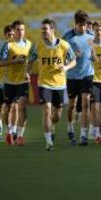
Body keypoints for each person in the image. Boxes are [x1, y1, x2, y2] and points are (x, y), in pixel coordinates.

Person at [27, 18, 76, 151]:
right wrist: (27, 72)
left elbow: (73, 61)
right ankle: (49, 141)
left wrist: (65, 67)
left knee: (57, 114)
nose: (42, 31)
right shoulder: (38, 45)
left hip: (60, 84)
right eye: (42, 29)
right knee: (47, 110)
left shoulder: (64, 45)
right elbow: (30, 61)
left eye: (45, 29)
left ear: (52, 30)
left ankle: (52, 127)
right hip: (44, 83)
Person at [62, 10, 94, 146]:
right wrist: (72, 54)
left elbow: (94, 52)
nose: (83, 28)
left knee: (86, 103)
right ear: (75, 24)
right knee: (72, 105)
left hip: (87, 74)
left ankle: (83, 135)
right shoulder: (67, 37)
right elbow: (60, 55)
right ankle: (70, 127)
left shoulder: (92, 35)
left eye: (85, 25)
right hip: (72, 75)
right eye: (80, 25)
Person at [0, 19, 33, 146]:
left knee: (22, 107)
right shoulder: (8, 45)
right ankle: (9, 132)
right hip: (9, 82)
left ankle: (19, 135)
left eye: (22, 29)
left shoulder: (29, 44)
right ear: (14, 31)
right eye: (18, 29)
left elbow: (31, 61)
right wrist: (14, 61)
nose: (21, 32)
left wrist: (28, 72)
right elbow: (0, 63)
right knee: (8, 108)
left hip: (23, 82)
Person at [0, 25, 15, 140]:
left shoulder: (16, 46)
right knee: (0, 107)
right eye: (9, 34)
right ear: (5, 34)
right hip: (1, 82)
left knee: (11, 106)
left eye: (12, 34)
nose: (11, 36)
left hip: (12, 82)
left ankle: (11, 130)